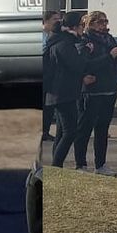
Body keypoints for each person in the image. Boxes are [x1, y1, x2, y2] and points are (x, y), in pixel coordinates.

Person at [75, 10, 117, 174]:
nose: (105, 25)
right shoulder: (85, 40)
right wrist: (109, 56)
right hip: (92, 91)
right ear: (92, 23)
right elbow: (86, 65)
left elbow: (116, 65)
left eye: (106, 21)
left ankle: (100, 164)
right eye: (101, 22)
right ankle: (80, 163)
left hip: (109, 88)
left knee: (103, 129)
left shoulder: (109, 38)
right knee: (84, 128)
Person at [43, 10, 93, 167]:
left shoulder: (59, 40)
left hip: (60, 92)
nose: (83, 29)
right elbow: (76, 65)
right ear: (74, 26)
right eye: (81, 26)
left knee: (62, 131)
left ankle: (57, 166)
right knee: (70, 132)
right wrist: (86, 50)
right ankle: (56, 166)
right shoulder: (64, 43)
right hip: (63, 93)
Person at [42, 8, 62, 141]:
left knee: (48, 106)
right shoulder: (42, 36)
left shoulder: (51, 35)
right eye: (55, 19)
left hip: (50, 75)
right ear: (46, 22)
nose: (58, 22)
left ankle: (45, 131)